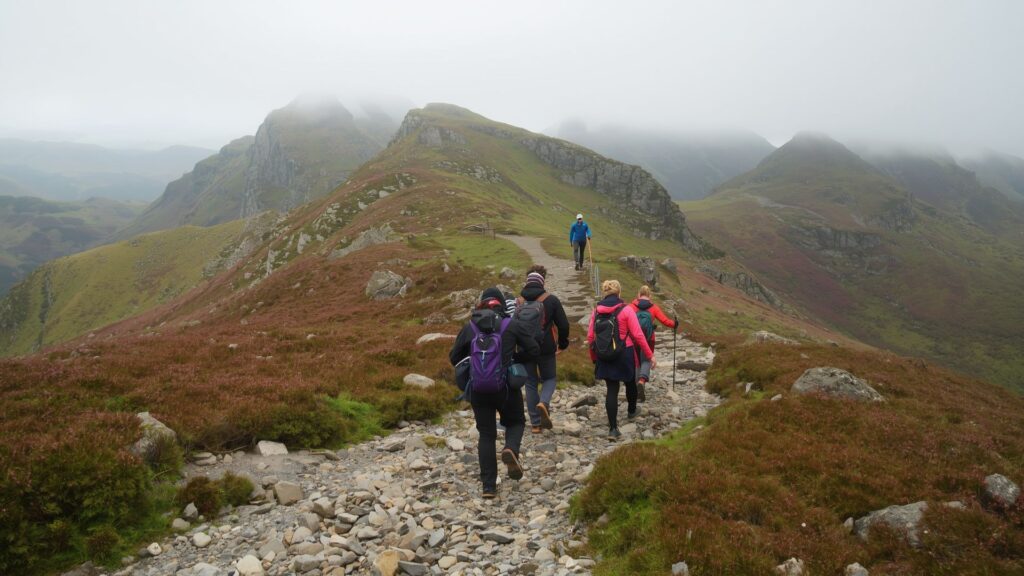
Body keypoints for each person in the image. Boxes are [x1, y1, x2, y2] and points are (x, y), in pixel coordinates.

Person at [449, 287, 540, 499]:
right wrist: (512, 360)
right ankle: (510, 450)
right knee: (516, 422)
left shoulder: (470, 327)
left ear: (481, 304)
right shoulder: (511, 324)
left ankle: (488, 487)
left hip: (479, 390)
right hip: (507, 387)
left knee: (487, 434)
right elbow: (534, 349)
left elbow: (454, 357)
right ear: (501, 303)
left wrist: (476, 364)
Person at [587, 279, 655, 440]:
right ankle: (632, 411)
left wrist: (595, 358)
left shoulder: (596, 311)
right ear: (619, 293)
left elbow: (591, 337)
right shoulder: (626, 310)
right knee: (630, 382)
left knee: (612, 389)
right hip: (625, 352)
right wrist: (650, 356)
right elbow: (638, 335)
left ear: (605, 292)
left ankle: (613, 429)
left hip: (604, 353)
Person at [516, 266, 570, 434]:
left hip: (525, 349)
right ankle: (544, 403)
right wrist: (562, 344)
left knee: (530, 383)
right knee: (550, 378)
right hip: (546, 347)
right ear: (542, 283)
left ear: (527, 283)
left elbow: (512, 327)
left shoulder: (519, 301)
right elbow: (563, 325)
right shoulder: (551, 300)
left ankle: (535, 424)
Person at [629, 285, 678, 402]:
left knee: (637, 362)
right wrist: (675, 324)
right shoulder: (654, 307)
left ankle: (636, 389)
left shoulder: (631, 306)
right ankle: (642, 381)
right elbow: (665, 321)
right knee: (646, 360)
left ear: (638, 295)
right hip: (649, 338)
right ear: (649, 295)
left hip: (634, 338)